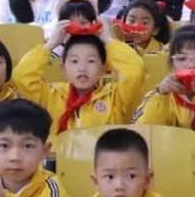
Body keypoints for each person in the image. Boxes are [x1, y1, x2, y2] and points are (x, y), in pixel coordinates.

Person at [12, 19, 146, 135]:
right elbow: (21, 76)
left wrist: (109, 41)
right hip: (59, 156)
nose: (82, 68)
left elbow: (135, 71)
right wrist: (50, 44)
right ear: (63, 68)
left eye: (91, 61)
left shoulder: (115, 97)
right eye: (74, 61)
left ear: (103, 69)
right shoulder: (50, 95)